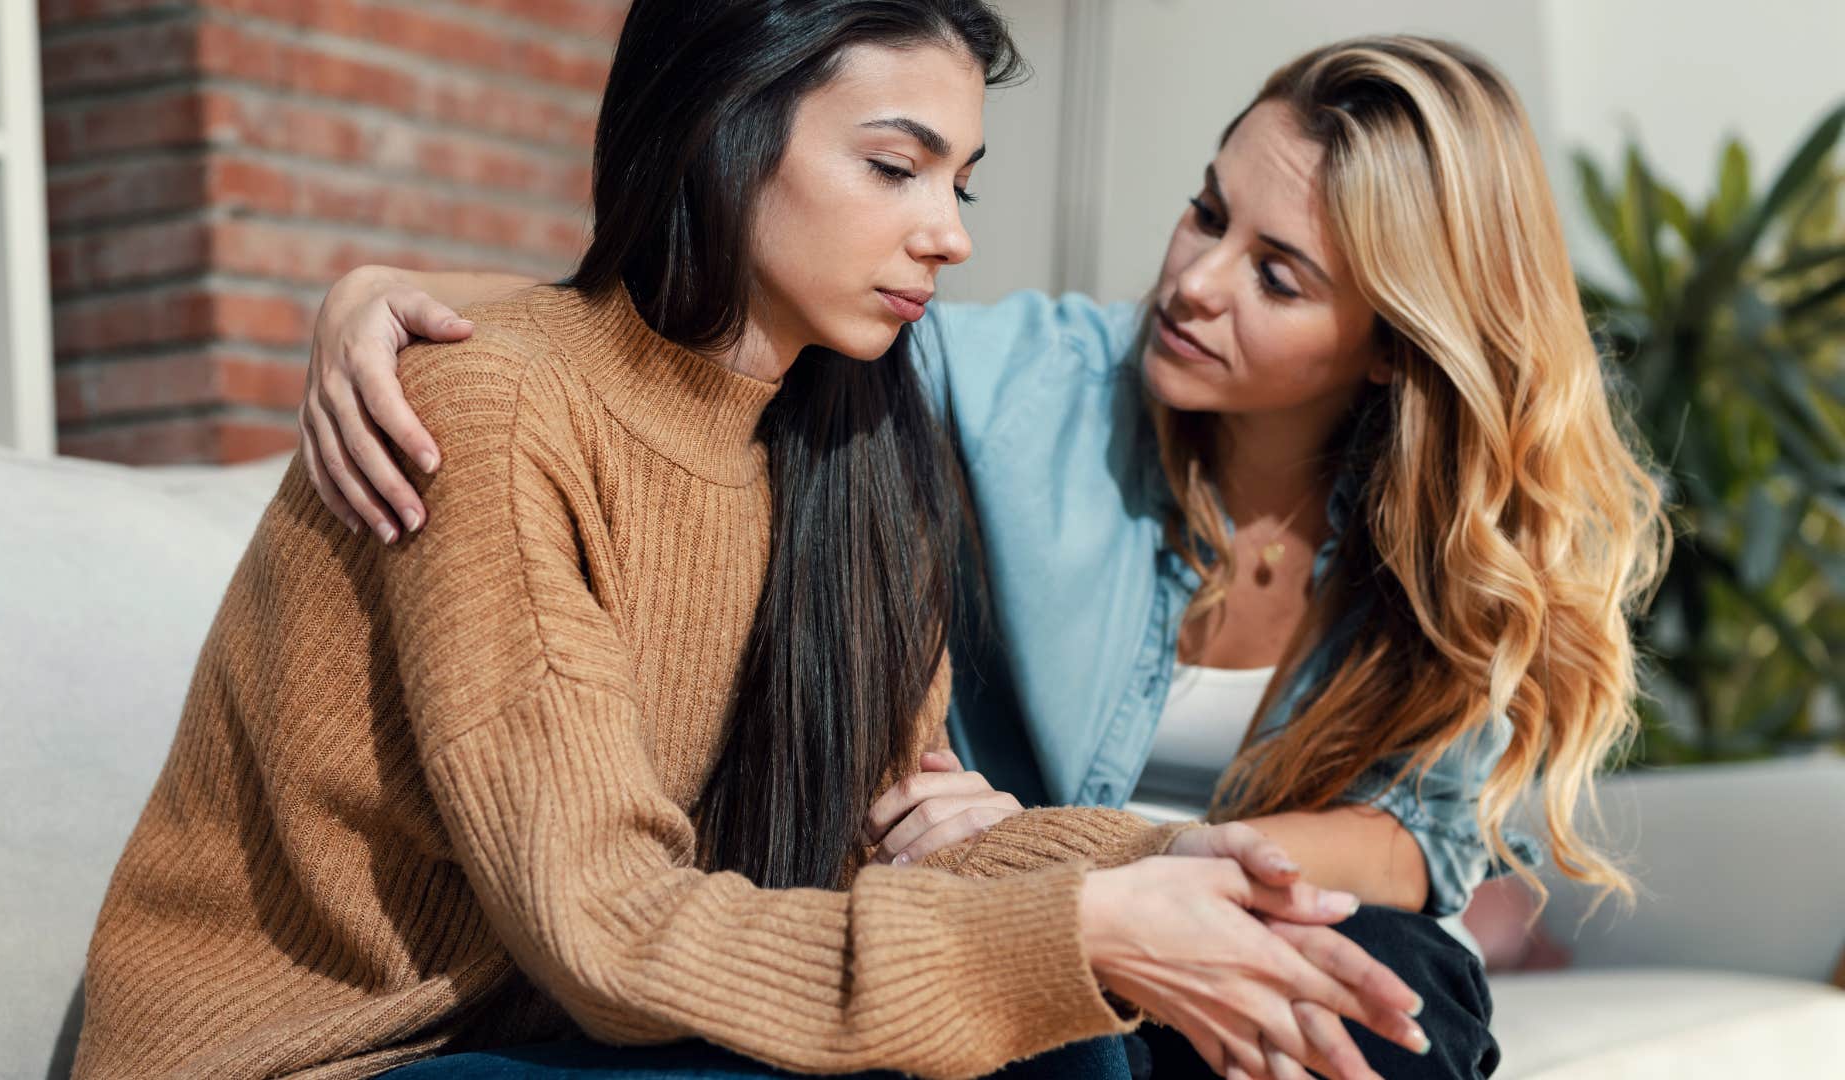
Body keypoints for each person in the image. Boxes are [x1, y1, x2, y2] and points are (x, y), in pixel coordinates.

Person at [74, 4, 1427, 1079]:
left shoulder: (856, 446)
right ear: (725, 122)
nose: (950, 234)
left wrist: (1158, 867)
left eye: (958, 178)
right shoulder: (485, 405)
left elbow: (895, 832)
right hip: (334, 1058)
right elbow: (601, 927)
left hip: (547, 1039)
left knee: (1079, 1038)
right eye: (895, 167)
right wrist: (1073, 928)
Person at [299, 33, 1670, 1080]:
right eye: (1207, 213)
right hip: (980, 910)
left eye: (1278, 274)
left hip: (1084, 879)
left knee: (1402, 985)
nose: (1194, 280)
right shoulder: (1032, 385)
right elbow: (717, 332)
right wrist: (391, 297)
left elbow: (1418, 843)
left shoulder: (1447, 548)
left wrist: (1162, 863)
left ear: (1390, 340)